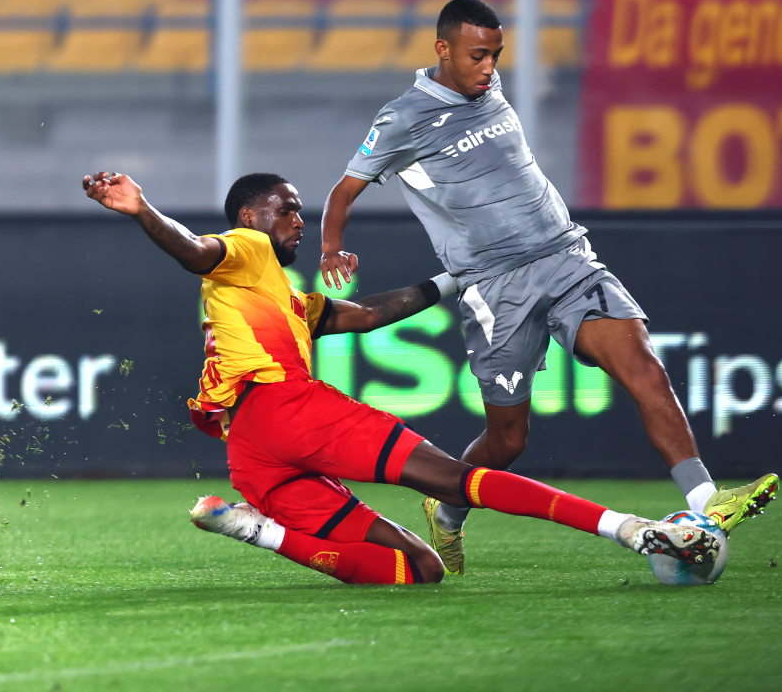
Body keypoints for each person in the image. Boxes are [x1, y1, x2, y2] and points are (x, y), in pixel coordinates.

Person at [320, 0, 778, 576]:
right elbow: (344, 191)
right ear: (442, 50)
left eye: (496, 54)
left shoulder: (490, 89)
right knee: (508, 442)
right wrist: (331, 248)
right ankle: (447, 508)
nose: (490, 67)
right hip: (496, 286)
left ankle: (705, 501)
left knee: (644, 366)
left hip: (566, 257)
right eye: (478, 56)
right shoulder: (403, 118)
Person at [82, 169, 719, 585]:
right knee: (458, 480)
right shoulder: (245, 248)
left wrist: (456, 277)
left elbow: (368, 314)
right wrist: (143, 210)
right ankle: (634, 530)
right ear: (251, 216)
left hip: (251, 451)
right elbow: (195, 250)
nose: (299, 221)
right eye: (287, 211)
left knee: (418, 567)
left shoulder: (284, 297)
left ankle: (258, 530)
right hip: (287, 409)